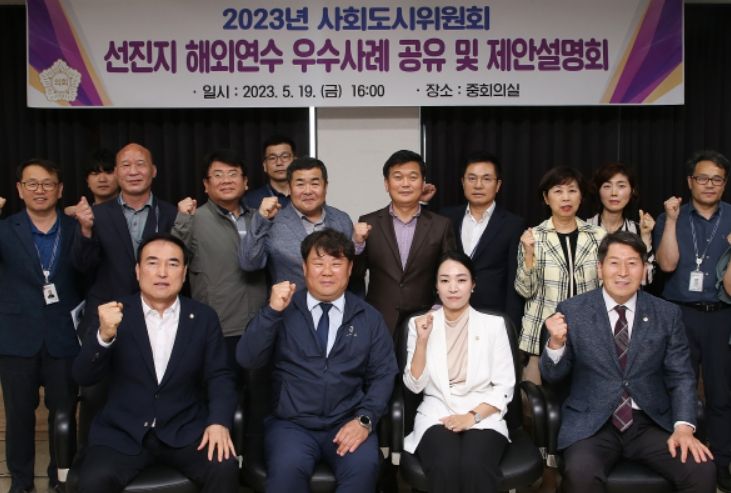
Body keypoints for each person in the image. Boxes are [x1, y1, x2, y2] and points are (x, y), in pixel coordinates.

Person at [540, 232, 716, 493]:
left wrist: (684, 428)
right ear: (600, 268)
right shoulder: (573, 310)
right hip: (592, 424)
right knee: (581, 474)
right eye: (614, 263)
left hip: (649, 422)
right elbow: (552, 377)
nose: (623, 272)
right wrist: (556, 344)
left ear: (644, 269)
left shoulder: (666, 314)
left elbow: (681, 376)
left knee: (700, 469)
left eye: (632, 263)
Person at [72, 233, 239, 493]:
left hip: (184, 430)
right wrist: (103, 336)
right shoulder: (114, 314)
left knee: (224, 466)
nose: (162, 272)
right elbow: (83, 376)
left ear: (184, 273)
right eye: (152, 263)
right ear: (138, 271)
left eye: (172, 264)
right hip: (122, 433)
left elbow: (220, 376)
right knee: (92, 480)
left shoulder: (203, 318)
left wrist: (218, 421)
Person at [238, 229, 398, 492]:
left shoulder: (369, 318)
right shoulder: (282, 309)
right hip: (292, 424)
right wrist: (271, 312)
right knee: (286, 471)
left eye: (336, 264)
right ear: (304, 268)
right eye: (318, 263)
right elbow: (248, 358)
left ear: (350, 269)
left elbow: (383, 374)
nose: (327, 272)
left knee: (364, 469)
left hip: (347, 421)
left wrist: (364, 420)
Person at [0, 159, 82, 493]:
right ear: (19, 190)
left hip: (64, 337)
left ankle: (60, 478)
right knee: (19, 416)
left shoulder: (76, 228)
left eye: (47, 183)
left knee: (64, 415)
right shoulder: (5, 229)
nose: (40, 190)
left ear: (59, 190)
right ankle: (21, 482)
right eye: (31, 183)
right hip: (16, 338)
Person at [403, 252, 515, 493]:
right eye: (445, 280)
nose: (453, 288)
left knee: (476, 465)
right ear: (436, 286)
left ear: (473, 284)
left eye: (461, 280)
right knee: (445, 465)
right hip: (437, 412)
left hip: (483, 412)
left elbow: (504, 386)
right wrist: (422, 341)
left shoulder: (494, 325)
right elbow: (414, 385)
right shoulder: (420, 324)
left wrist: (472, 416)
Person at [654, 150, 731, 491]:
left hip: (722, 315)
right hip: (678, 313)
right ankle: (677, 461)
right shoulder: (672, 216)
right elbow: (667, 265)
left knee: (721, 392)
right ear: (690, 181)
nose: (709, 185)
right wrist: (671, 221)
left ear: (724, 184)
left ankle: (723, 463)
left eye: (717, 179)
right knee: (676, 386)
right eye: (703, 178)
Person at [172, 149, 266, 378]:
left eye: (233, 174)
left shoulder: (260, 217)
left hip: (260, 325)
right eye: (218, 175)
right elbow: (173, 260)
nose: (226, 180)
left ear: (245, 182)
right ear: (206, 185)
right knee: (222, 390)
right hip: (219, 326)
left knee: (260, 393)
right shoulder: (193, 219)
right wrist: (182, 221)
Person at [72, 143, 177, 339]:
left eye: (140, 164)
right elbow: (82, 267)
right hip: (106, 317)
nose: (133, 171)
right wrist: (85, 229)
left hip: (159, 318)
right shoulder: (96, 215)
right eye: (126, 165)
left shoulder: (171, 214)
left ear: (153, 171)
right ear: (117, 172)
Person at [515, 166, 605, 384]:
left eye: (572, 190)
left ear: (581, 196)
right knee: (535, 400)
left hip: (587, 335)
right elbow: (525, 290)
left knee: (584, 396)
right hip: (540, 334)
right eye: (558, 191)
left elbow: (606, 290)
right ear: (546, 198)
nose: (566, 198)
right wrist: (529, 254)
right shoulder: (533, 237)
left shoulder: (598, 236)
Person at [354, 150, 456, 335]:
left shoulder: (441, 226)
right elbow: (355, 275)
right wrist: (357, 244)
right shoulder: (369, 223)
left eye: (413, 177)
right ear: (386, 184)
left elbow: (451, 273)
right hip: (378, 320)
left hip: (426, 320)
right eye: (398, 177)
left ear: (422, 183)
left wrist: (436, 309)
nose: (405, 184)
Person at [439, 152, 525, 329]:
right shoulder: (446, 218)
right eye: (472, 178)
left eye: (486, 179)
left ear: (498, 185)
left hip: (492, 316)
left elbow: (513, 280)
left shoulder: (513, 224)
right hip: (448, 314)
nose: (478, 185)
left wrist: (511, 326)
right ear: (463, 182)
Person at [239, 156, 354, 288]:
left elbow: (351, 269)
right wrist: (261, 219)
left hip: (336, 300)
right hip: (290, 300)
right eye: (300, 184)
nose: (308, 191)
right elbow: (249, 263)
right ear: (289, 188)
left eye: (315, 184)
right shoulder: (272, 221)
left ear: (325, 186)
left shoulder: (341, 219)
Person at [587, 162, 655, 283]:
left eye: (621, 186)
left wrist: (645, 236)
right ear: (598, 191)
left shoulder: (638, 230)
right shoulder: (584, 228)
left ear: (632, 191)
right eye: (607, 186)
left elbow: (645, 279)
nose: (614, 193)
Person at [244, 134, 296, 209]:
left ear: (295, 162)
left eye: (285, 157)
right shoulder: (250, 200)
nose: (279, 163)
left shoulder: (307, 195)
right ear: (265, 166)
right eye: (272, 158)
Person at [64, 149, 119, 216]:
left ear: (120, 176)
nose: (102, 179)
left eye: (109, 173)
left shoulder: (128, 210)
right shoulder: (77, 215)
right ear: (87, 180)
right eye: (95, 173)